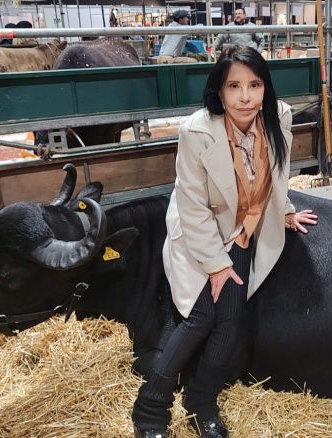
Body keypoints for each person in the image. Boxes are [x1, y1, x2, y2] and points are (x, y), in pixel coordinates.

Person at [131, 46, 318, 438]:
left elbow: (277, 174)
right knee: (202, 317)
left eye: (254, 85)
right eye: (234, 86)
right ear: (219, 91)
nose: (245, 96)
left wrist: (284, 211)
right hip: (202, 233)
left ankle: (200, 400)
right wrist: (216, 265)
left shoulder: (279, 116)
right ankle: (151, 406)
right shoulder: (196, 132)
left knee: (231, 320)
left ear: (265, 88)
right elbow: (192, 205)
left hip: (243, 232)